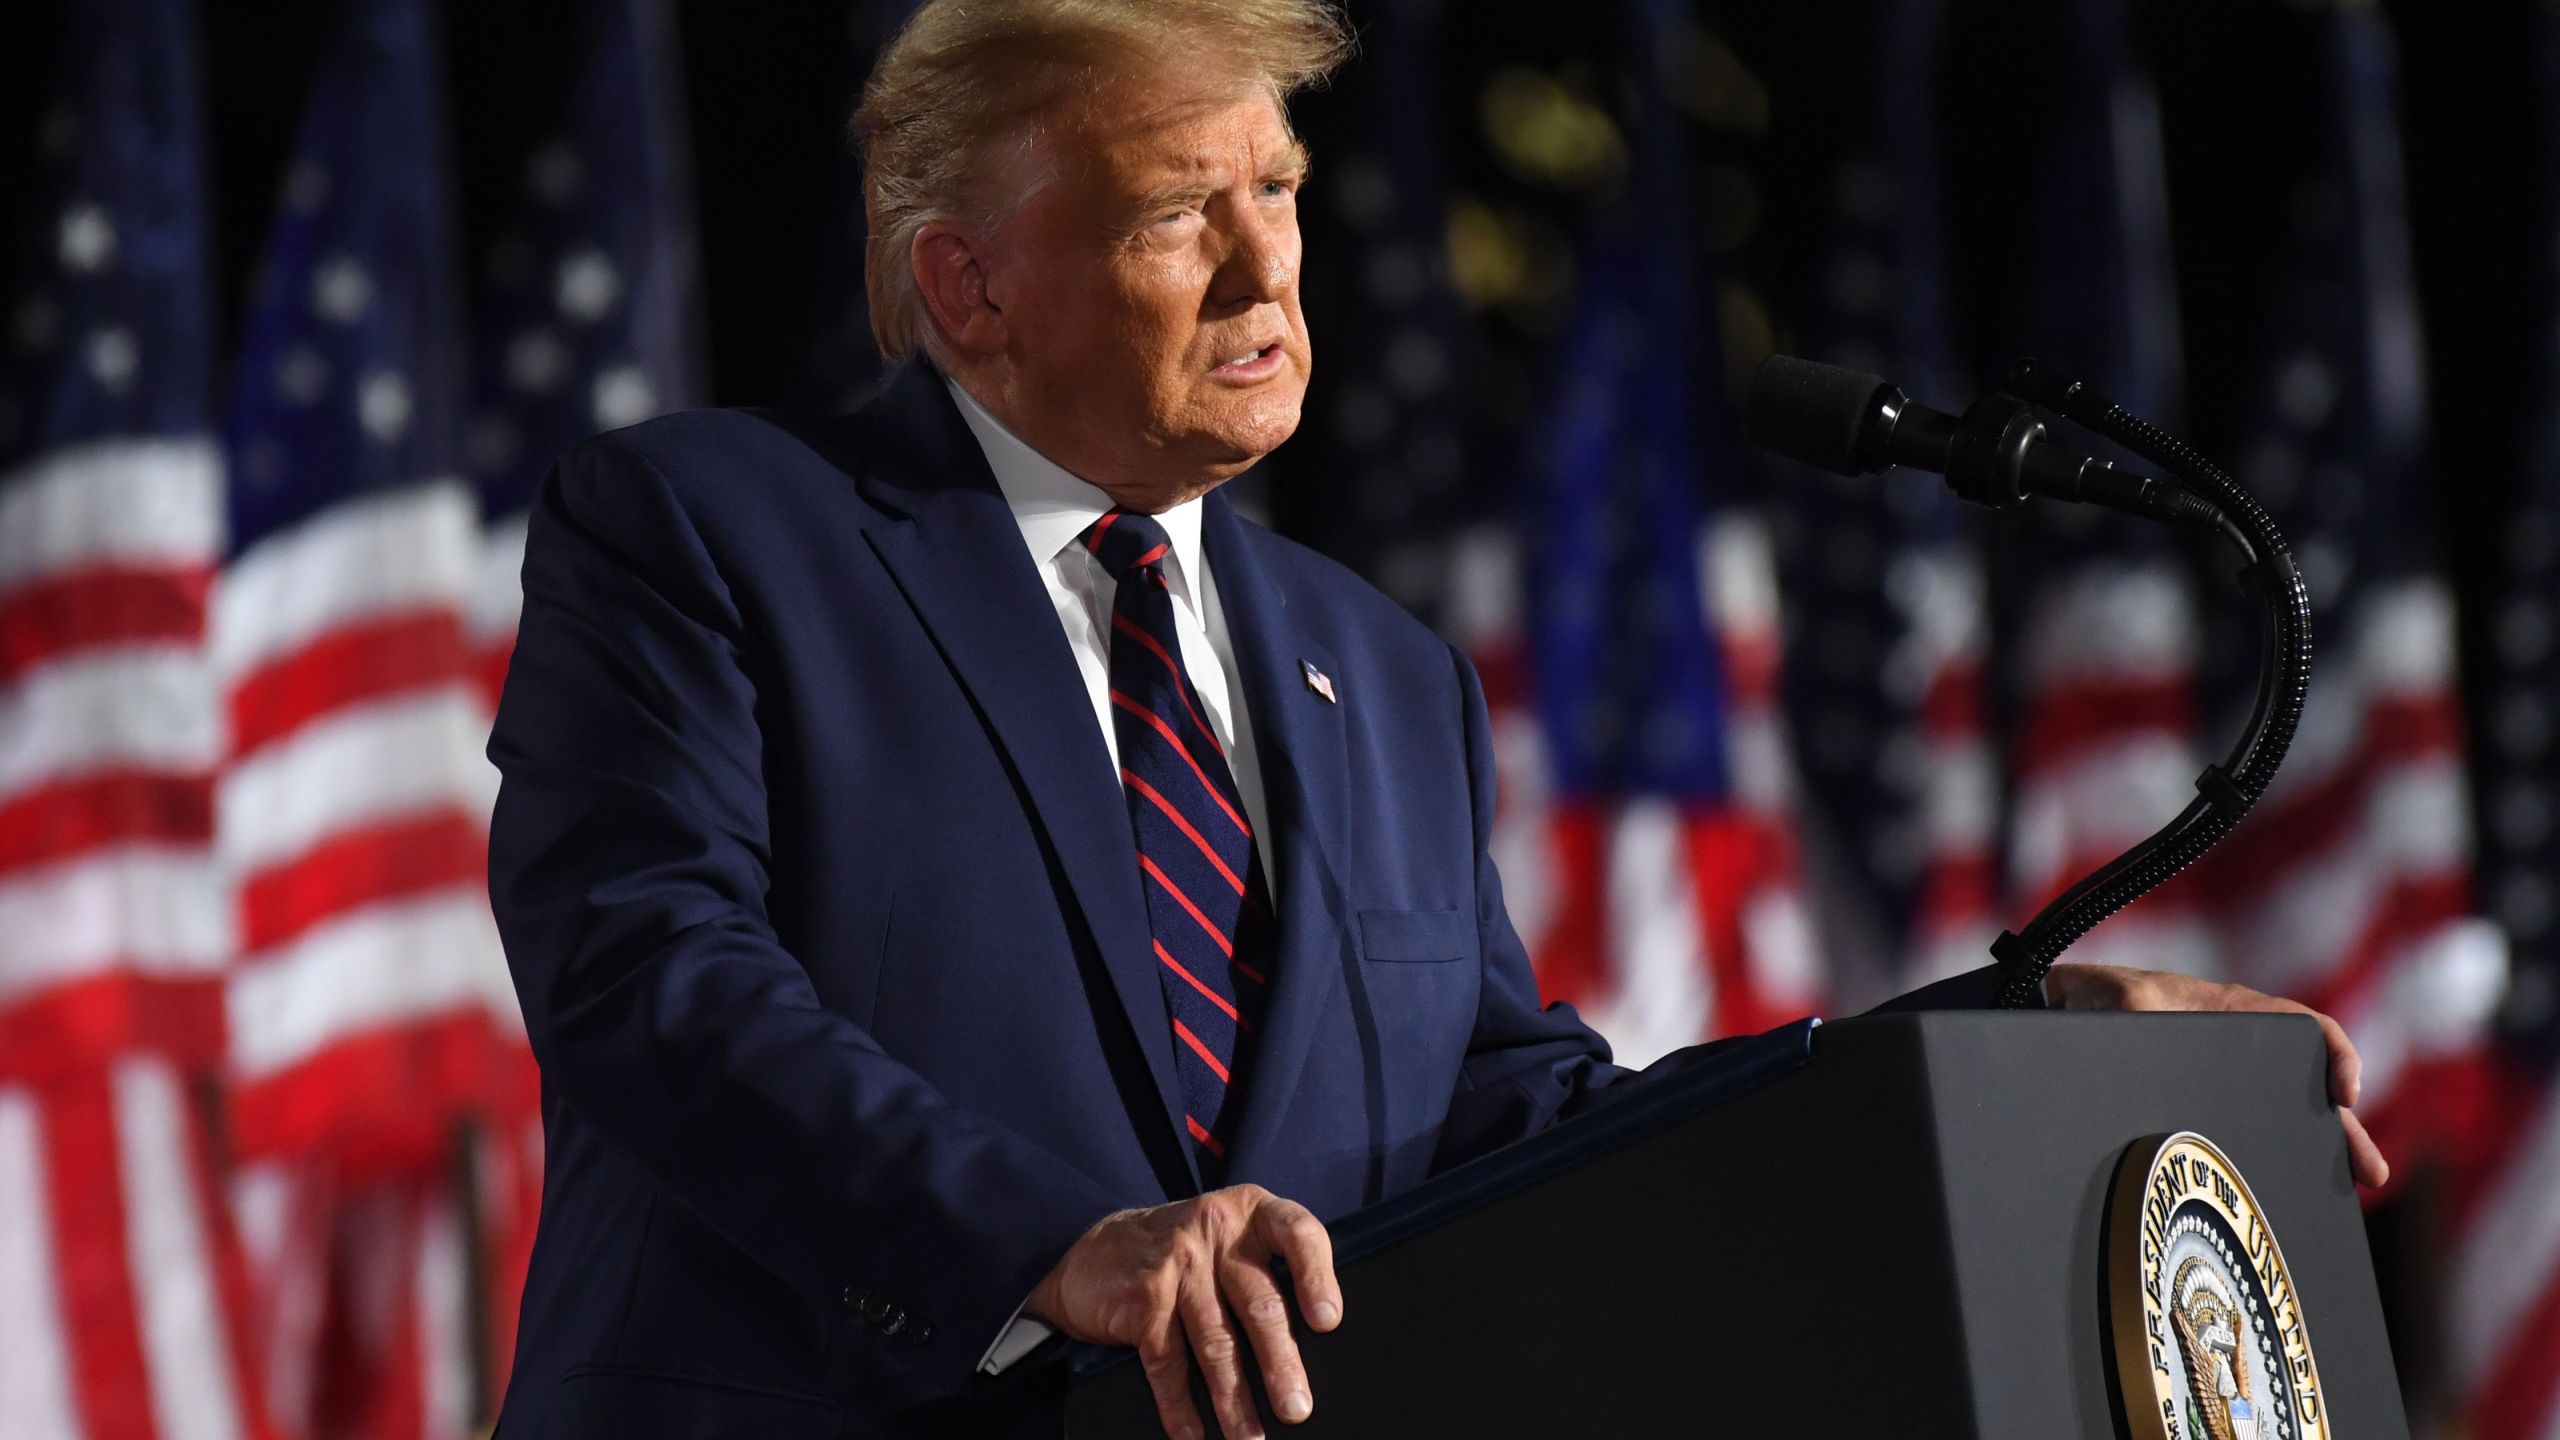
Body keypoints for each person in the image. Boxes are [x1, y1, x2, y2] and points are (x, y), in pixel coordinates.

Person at [483, 2, 2388, 1436]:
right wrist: (1042, 1244)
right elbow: (650, 975)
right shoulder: (717, 535)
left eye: (1282, 189)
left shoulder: (1379, 674)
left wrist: (2008, 1040)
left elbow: (1524, 1119)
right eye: (1176, 215)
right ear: (966, 286)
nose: (1265, 266)